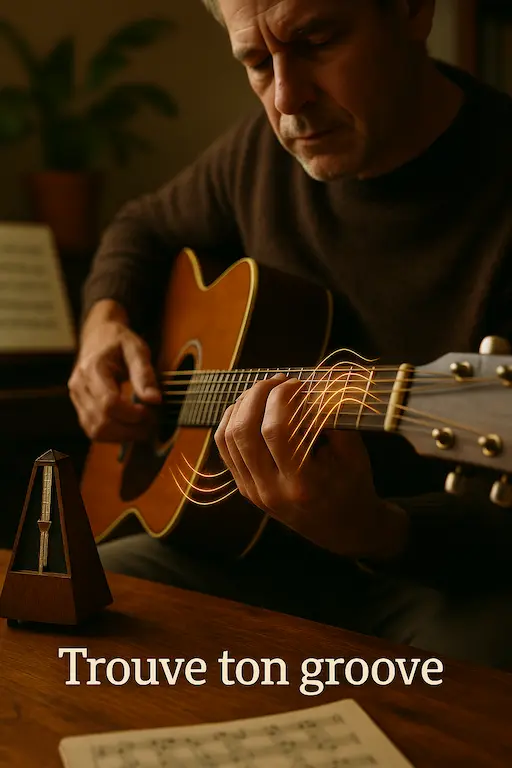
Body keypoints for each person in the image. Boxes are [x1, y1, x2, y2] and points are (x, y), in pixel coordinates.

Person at [69, 0, 512, 668]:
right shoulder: (257, 155)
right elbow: (144, 225)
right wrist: (104, 321)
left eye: (318, 41)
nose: (286, 99)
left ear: (413, 11)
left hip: (436, 576)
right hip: (246, 548)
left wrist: (371, 529)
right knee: (79, 604)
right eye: (256, 61)